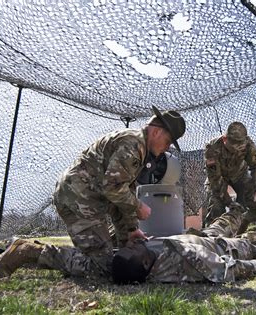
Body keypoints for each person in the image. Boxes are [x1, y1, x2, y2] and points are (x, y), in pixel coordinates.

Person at [0, 203, 256, 283]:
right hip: (217, 245)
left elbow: (82, 263)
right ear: (146, 263)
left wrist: (42, 252)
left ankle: (30, 250)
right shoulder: (192, 261)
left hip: (197, 237)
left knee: (92, 264)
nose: (132, 243)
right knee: (254, 243)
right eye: (135, 248)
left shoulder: (123, 264)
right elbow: (235, 269)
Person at [46, 106, 186, 277]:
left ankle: (94, 249)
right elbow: (112, 188)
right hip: (79, 200)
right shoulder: (133, 145)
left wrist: (131, 230)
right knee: (102, 266)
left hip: (85, 198)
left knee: (119, 251)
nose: (167, 148)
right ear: (157, 132)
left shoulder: (138, 147)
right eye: (168, 141)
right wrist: (138, 206)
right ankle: (34, 252)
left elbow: (122, 196)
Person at [203, 121, 256, 232]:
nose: (237, 149)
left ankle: (242, 227)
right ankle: (211, 237)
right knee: (216, 206)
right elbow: (216, 183)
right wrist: (230, 203)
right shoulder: (212, 148)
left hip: (239, 175)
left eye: (240, 146)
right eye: (233, 146)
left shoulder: (249, 144)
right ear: (224, 139)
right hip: (218, 178)